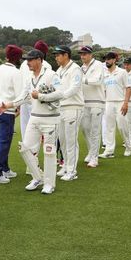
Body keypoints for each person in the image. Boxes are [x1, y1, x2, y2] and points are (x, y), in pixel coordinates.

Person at [0, 49, 62, 194]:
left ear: (39, 59)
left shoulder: (51, 74)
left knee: (49, 152)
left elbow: (60, 93)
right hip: (34, 117)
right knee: (26, 148)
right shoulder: (30, 78)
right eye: (27, 60)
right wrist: (8, 105)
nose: (27, 63)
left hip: (50, 119)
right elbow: (25, 97)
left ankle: (49, 184)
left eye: (30, 60)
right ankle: (37, 177)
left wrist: (41, 96)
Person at [0, 44, 23, 184]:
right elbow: (20, 94)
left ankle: (5, 169)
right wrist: (18, 107)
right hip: (7, 110)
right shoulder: (16, 72)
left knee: (1, 141)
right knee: (4, 142)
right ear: (17, 59)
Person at [51, 46, 84, 181]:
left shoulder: (75, 68)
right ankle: (65, 166)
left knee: (71, 140)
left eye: (58, 55)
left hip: (73, 107)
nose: (56, 58)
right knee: (63, 140)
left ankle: (71, 171)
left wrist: (60, 96)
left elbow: (74, 88)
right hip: (61, 108)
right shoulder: (59, 70)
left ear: (66, 55)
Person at [99, 52, 131, 158]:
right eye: (105, 59)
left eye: (109, 59)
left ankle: (128, 146)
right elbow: (103, 90)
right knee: (109, 127)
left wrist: (125, 103)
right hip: (108, 102)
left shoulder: (122, 72)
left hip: (120, 102)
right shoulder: (104, 74)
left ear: (114, 60)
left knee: (122, 126)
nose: (106, 61)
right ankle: (109, 151)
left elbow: (128, 88)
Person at [79, 46, 105, 168]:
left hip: (97, 101)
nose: (82, 56)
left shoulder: (98, 65)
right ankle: (91, 151)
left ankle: (94, 157)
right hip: (84, 102)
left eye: (85, 54)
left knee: (95, 130)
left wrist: (81, 79)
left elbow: (97, 81)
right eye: (81, 54)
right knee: (84, 128)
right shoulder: (81, 68)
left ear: (90, 54)